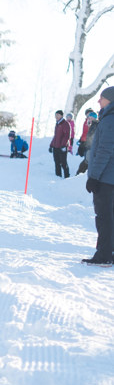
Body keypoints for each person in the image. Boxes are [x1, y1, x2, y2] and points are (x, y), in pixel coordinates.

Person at [83, 86, 114, 264]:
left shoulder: (109, 120)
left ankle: (103, 255)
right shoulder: (108, 119)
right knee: (110, 216)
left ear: (110, 100)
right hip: (110, 177)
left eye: (101, 98)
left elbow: (104, 150)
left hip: (105, 177)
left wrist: (94, 176)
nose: (98, 101)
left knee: (104, 217)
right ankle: (109, 253)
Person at [49, 109, 71, 178]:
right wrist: (51, 145)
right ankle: (58, 177)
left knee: (63, 163)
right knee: (57, 162)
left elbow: (67, 135)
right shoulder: (57, 124)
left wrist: (63, 145)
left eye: (58, 115)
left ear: (61, 115)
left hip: (62, 147)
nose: (56, 116)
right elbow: (56, 136)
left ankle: (67, 177)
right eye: (55, 115)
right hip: (56, 146)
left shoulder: (65, 124)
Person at [77, 111, 98, 175]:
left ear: (95, 118)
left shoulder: (96, 125)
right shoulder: (91, 125)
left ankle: (78, 176)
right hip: (88, 147)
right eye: (89, 118)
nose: (90, 119)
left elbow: (94, 137)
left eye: (91, 118)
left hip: (92, 148)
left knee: (85, 163)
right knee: (85, 163)